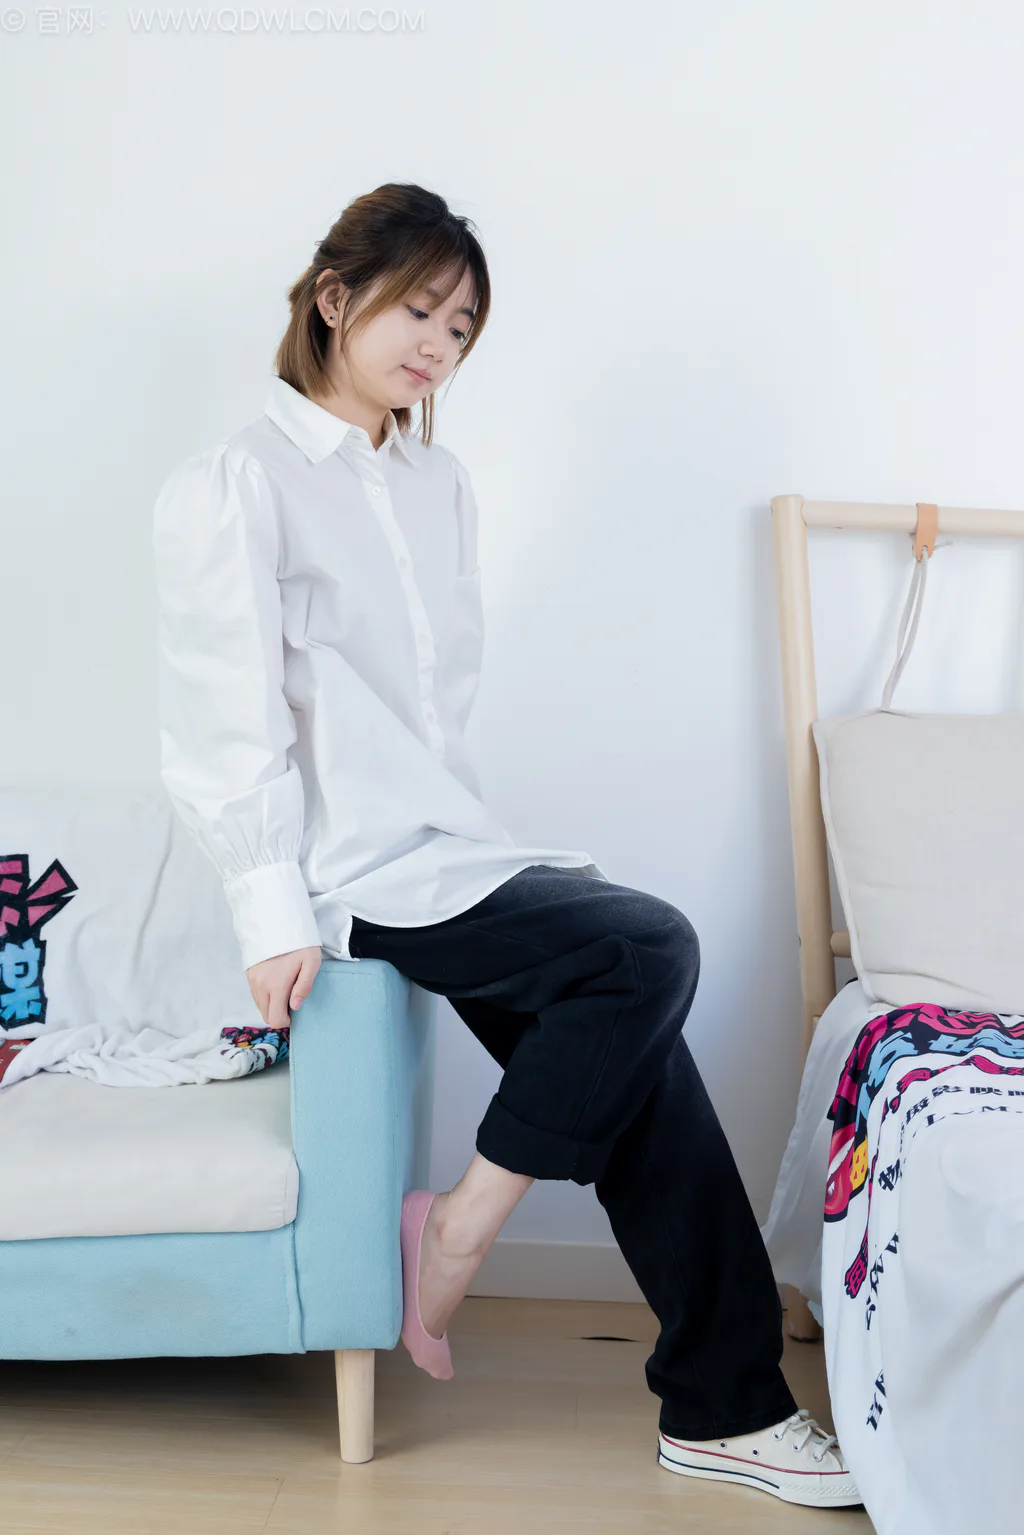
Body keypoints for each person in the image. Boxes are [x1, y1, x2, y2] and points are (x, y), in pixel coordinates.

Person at [151, 181, 859, 1511]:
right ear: (334, 299)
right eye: (418, 310)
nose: (439, 344)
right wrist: (268, 908)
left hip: (450, 846)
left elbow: (435, 713)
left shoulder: (439, 484)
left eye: (462, 327)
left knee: (638, 1052)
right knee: (649, 947)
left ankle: (726, 1405)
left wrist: (481, 848)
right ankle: (467, 1235)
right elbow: (219, 719)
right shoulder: (239, 483)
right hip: (354, 871)